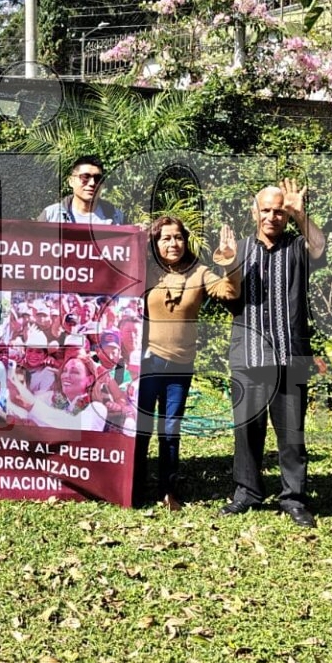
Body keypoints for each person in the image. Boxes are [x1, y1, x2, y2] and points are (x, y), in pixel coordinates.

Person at [222, 180, 326, 527]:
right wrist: (227, 265)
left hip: (289, 355)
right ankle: (247, 492)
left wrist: (300, 214)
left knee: (292, 433)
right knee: (246, 430)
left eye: (279, 210)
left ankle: (293, 498)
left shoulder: (297, 247)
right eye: (265, 210)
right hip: (248, 355)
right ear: (255, 212)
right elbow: (228, 296)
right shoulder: (240, 249)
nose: (272, 216)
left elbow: (319, 247)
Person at [137, 215, 241, 511]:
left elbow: (230, 291)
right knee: (141, 429)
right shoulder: (145, 271)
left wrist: (230, 262)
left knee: (170, 430)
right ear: (155, 243)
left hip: (181, 365)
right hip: (147, 362)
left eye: (178, 237)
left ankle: (168, 490)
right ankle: (134, 485)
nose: (173, 243)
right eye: (166, 238)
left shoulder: (200, 272)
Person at [39, 155, 125, 225]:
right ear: (71, 181)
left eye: (98, 178)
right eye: (85, 177)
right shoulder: (51, 216)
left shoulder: (117, 218)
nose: (92, 183)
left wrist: (137, 235)